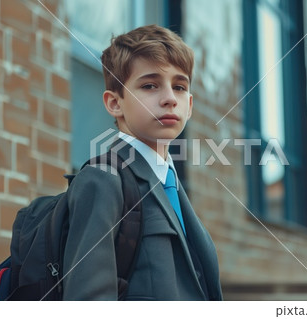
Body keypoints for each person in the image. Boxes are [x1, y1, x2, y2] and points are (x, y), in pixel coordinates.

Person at [62, 24, 223, 301]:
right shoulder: (103, 179)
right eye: (150, 85)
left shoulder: (170, 182)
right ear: (115, 103)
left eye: (180, 87)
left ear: (190, 105)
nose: (170, 99)